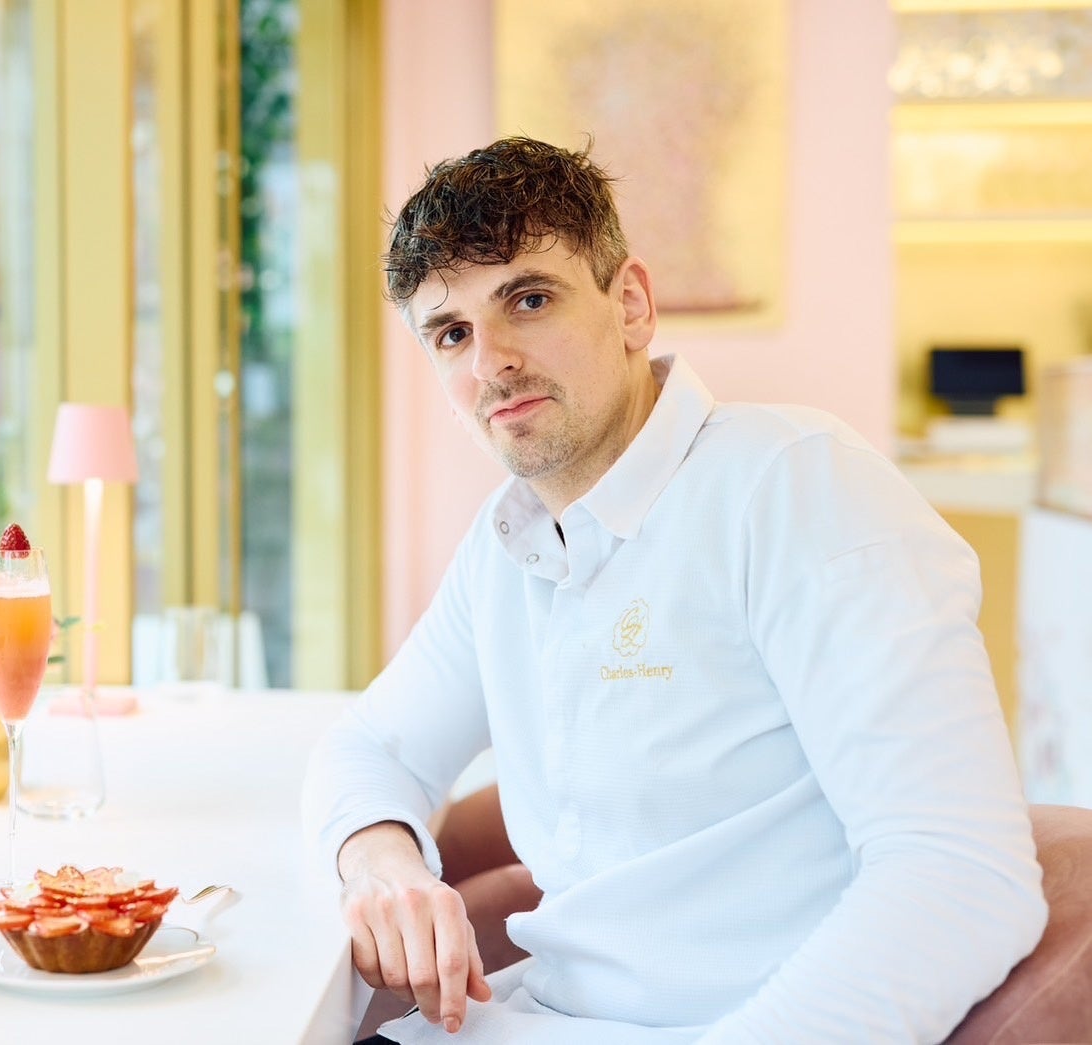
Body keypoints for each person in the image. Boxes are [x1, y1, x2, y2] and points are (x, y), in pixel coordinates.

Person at [302, 137, 1046, 1044]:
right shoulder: (508, 542)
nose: (489, 363)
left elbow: (962, 875)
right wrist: (382, 864)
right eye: (451, 333)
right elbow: (370, 745)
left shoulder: (797, 486)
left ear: (630, 305)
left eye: (528, 300)